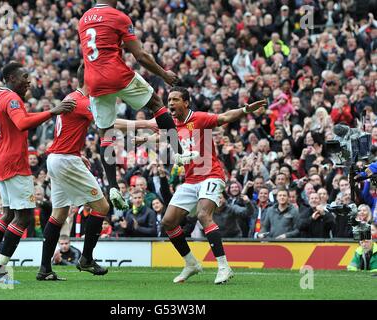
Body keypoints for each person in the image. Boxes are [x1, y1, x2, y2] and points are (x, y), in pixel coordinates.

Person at [37, 63, 157, 280]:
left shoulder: (71, 97)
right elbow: (109, 122)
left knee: (59, 214)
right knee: (102, 206)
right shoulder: (82, 101)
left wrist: (75, 152)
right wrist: (146, 122)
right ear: (89, 78)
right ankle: (86, 259)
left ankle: (45, 269)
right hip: (65, 160)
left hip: (57, 158)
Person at [136, 86, 266, 284]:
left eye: (175, 99)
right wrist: (144, 139)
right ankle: (191, 263)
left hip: (211, 175)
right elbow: (162, 136)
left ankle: (224, 267)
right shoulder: (172, 125)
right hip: (190, 180)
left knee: (204, 215)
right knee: (168, 221)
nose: (170, 103)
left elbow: (223, 117)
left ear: (186, 102)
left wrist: (246, 110)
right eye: (169, 100)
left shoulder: (199, 118)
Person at [78, 0, 198, 211]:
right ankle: (179, 152)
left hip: (93, 79)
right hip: (116, 74)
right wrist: (163, 74)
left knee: (105, 132)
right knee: (156, 103)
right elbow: (141, 55)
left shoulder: (84, 19)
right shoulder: (119, 17)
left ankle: (113, 187)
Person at [0, 61, 76, 284]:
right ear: (11, 78)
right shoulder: (12, 98)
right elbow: (22, 123)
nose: (29, 81)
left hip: (0, 159)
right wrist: (52, 111)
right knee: (24, 216)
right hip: (14, 161)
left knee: (7, 214)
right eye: (24, 77)